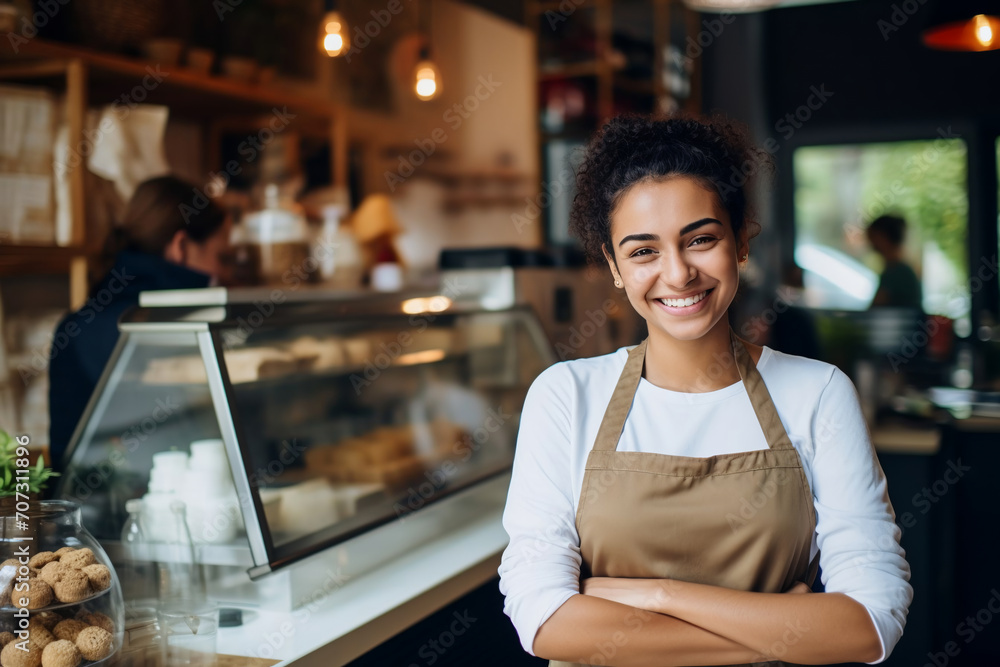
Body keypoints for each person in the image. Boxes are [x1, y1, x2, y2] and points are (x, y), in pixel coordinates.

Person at [497, 114, 912, 666]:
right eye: (643, 251)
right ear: (614, 266)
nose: (677, 273)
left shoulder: (817, 393)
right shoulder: (565, 396)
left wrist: (660, 594)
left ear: (740, 241)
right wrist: (783, 627)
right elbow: (544, 620)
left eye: (700, 240)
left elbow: (869, 624)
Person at [48, 176, 232, 471]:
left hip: (84, 508)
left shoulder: (79, 323)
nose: (222, 273)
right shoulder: (170, 329)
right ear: (180, 246)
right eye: (221, 257)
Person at [867, 214, 923, 310]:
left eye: (873, 236)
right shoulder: (899, 270)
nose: (870, 243)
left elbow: (875, 309)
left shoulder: (897, 272)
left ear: (883, 237)